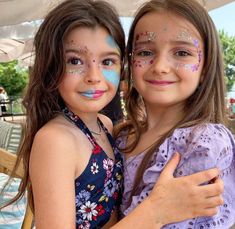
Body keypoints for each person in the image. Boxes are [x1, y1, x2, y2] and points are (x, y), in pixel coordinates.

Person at [0, 0, 224, 228]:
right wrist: (156, 211)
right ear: (51, 66)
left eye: (107, 61)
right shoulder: (56, 140)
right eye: (75, 60)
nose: (94, 76)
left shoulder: (107, 127)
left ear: (122, 66)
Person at [114, 0, 235, 228]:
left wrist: (155, 213)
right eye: (146, 51)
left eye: (181, 52)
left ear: (205, 68)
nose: (160, 66)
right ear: (131, 61)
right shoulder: (121, 137)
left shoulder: (202, 145)